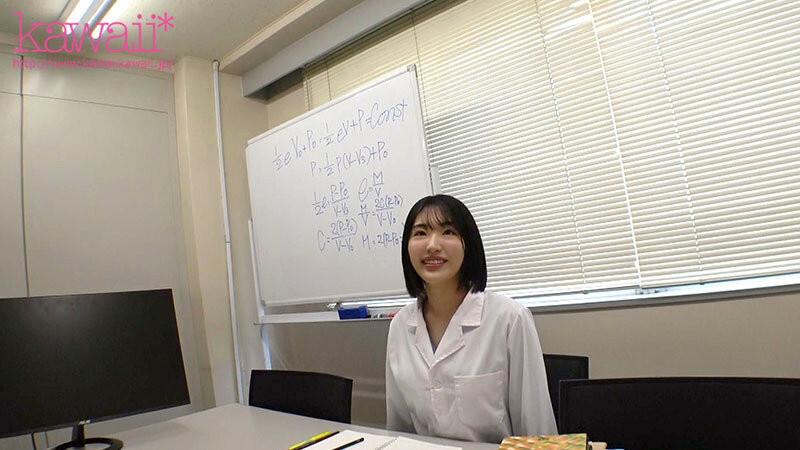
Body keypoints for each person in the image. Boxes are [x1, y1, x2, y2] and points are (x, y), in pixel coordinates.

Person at [385, 194, 557, 443]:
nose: (432, 245)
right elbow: (400, 429)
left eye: (448, 232)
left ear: (469, 244)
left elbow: (538, 432)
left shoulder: (509, 319)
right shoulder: (400, 326)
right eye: (420, 233)